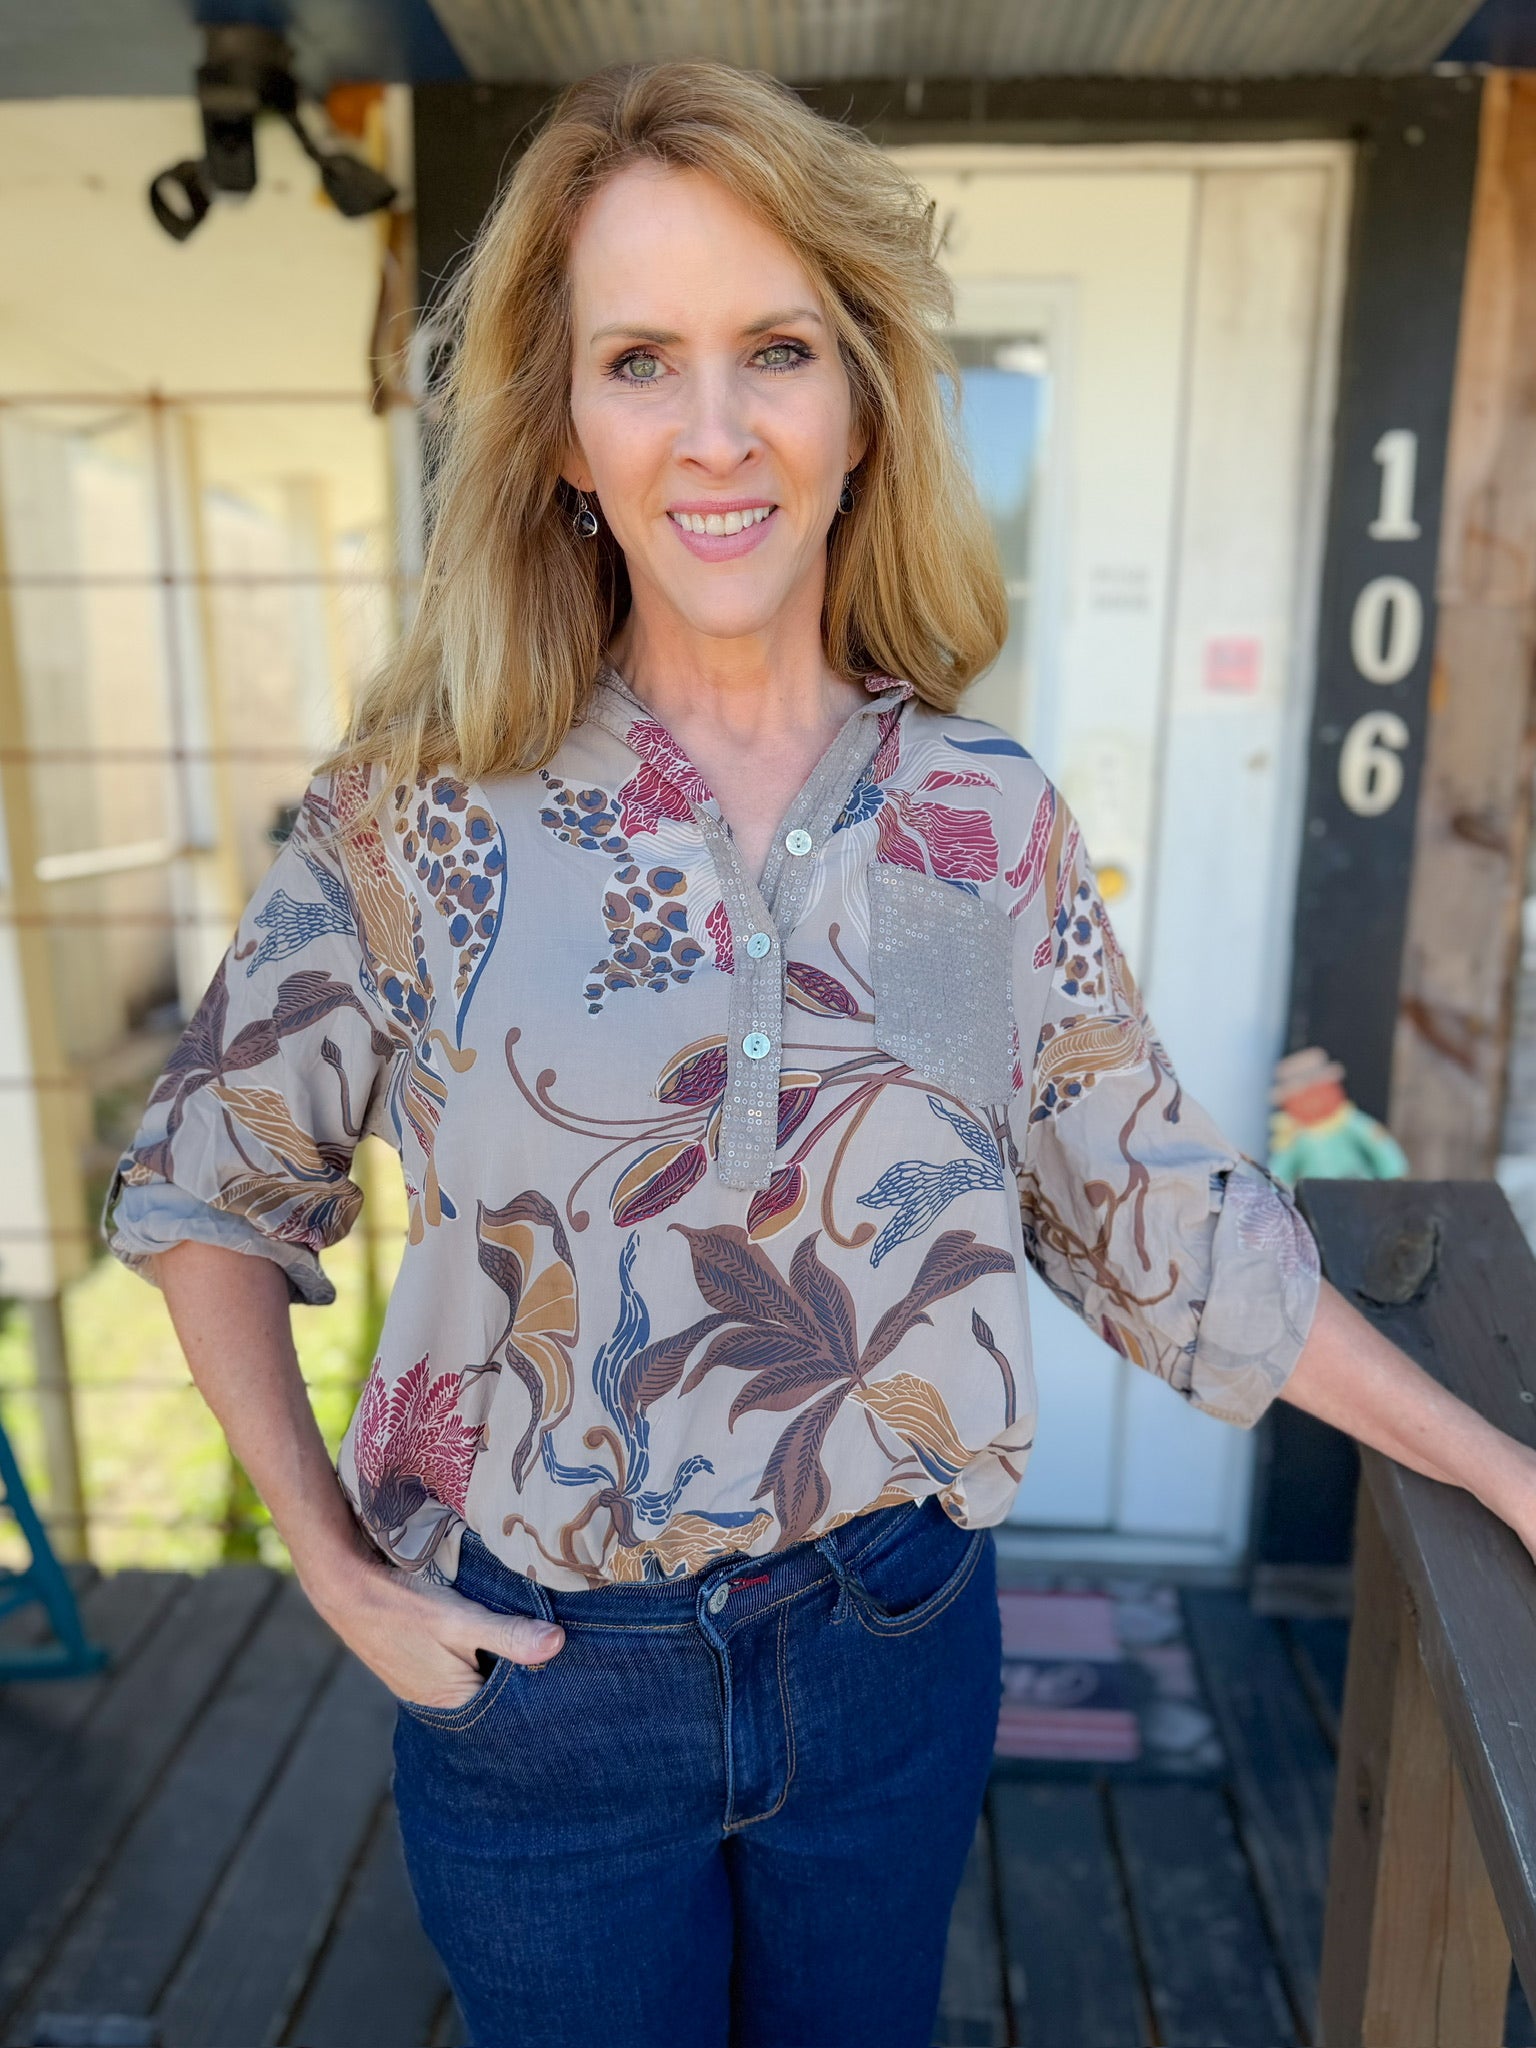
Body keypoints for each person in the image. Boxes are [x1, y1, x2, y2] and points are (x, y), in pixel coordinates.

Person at [105, 58, 1536, 2048]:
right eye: (638, 361)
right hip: (543, 1678)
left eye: (774, 349)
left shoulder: (964, 824)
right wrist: (334, 1569)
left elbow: (1136, 1209)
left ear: (860, 403)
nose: (715, 432)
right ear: (560, 435)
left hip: (890, 1647)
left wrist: (1505, 1469)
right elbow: (211, 1183)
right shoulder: (423, 817)